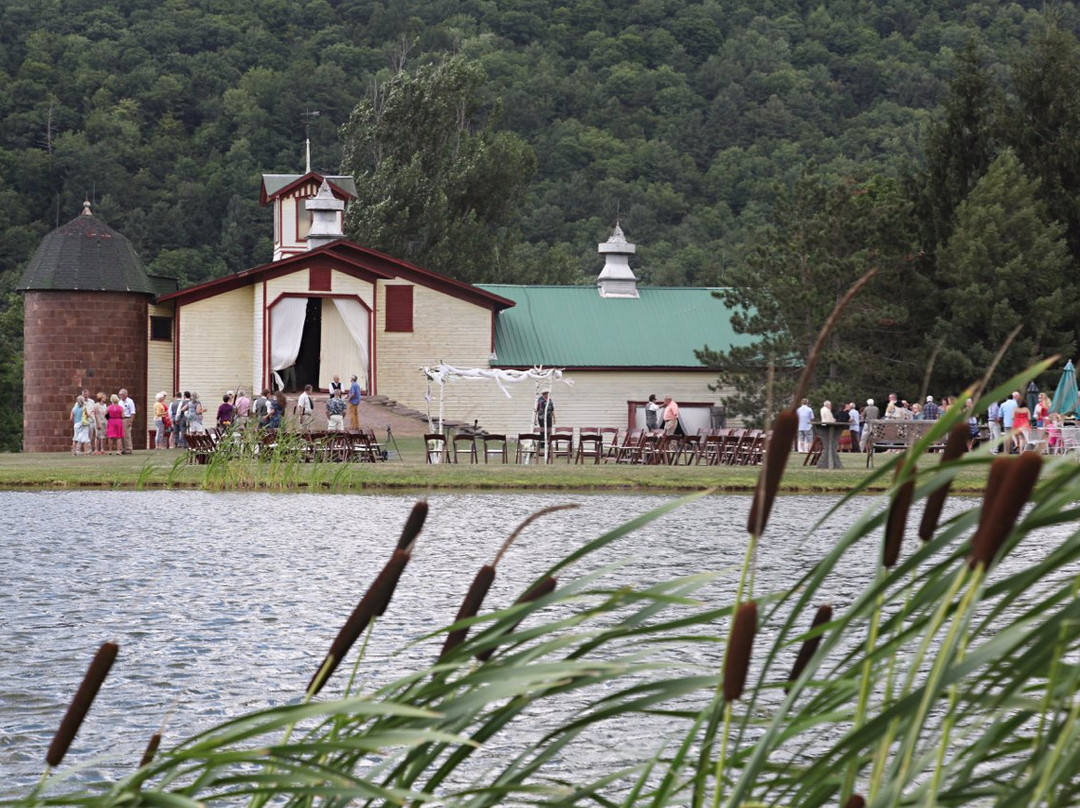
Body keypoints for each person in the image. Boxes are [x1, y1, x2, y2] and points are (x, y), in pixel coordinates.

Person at [118, 388, 136, 454]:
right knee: (121, 435)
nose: (120, 396)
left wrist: (131, 421)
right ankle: (123, 448)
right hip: (120, 419)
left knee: (127, 435)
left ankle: (128, 448)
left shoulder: (130, 401)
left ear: (125, 394)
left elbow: (133, 412)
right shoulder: (119, 402)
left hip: (127, 418)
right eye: (119, 395)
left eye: (121, 394)